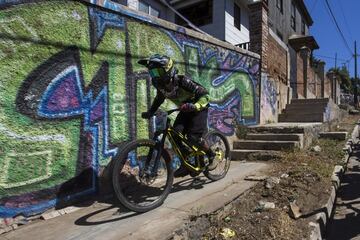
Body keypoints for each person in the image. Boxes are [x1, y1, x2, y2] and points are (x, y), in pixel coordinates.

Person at [138, 54, 216, 177]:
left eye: (158, 71)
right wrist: (151, 111)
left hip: (198, 108)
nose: (155, 76)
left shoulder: (182, 81)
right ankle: (186, 163)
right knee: (175, 135)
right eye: (152, 73)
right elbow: (159, 98)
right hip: (185, 109)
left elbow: (205, 95)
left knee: (193, 137)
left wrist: (195, 106)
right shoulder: (159, 84)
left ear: (168, 69)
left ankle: (211, 155)